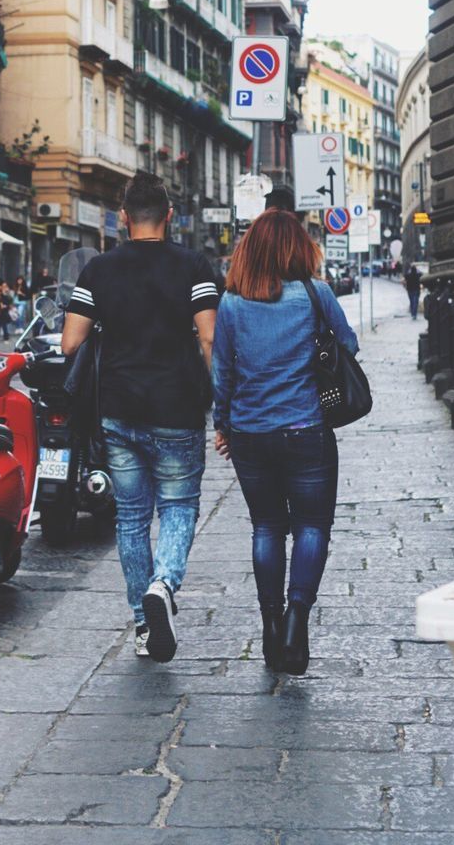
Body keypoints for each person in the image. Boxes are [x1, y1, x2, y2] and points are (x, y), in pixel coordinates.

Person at [61, 171, 218, 663]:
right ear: (169, 216)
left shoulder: (98, 271)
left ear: (123, 217)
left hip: (120, 409)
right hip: (178, 406)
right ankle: (163, 588)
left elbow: (70, 342)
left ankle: (142, 625)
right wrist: (224, 404)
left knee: (131, 519)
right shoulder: (195, 265)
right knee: (178, 506)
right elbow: (211, 339)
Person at [212, 209, 359, 676]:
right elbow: (349, 346)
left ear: (249, 250)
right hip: (307, 429)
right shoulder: (316, 295)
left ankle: (271, 625)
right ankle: (298, 619)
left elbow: (223, 374)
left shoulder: (232, 304)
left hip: (250, 433)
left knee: (266, 528)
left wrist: (223, 424)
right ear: (300, 247)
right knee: (312, 527)